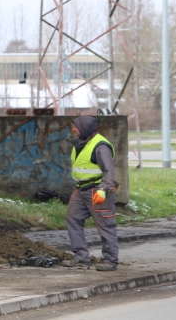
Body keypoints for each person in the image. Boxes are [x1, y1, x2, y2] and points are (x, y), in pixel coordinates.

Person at [60, 115, 119, 271]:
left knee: (105, 225)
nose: (73, 129)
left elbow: (109, 172)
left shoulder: (101, 146)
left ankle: (110, 261)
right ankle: (81, 256)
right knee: (72, 218)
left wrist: (103, 191)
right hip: (81, 189)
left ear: (85, 128)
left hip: (97, 189)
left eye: (76, 127)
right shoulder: (80, 143)